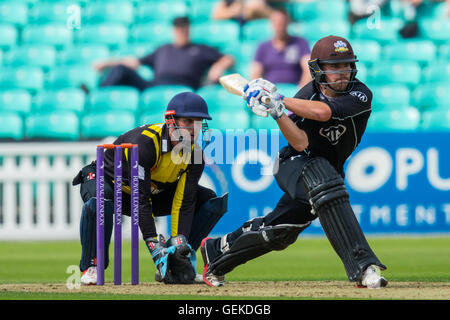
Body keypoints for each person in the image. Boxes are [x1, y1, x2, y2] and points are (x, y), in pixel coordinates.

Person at [200, 35, 388, 289]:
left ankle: (216, 253)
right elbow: (300, 143)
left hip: (326, 170)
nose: (342, 72)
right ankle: (364, 266)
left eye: (346, 65)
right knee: (326, 181)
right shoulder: (307, 94)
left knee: (280, 233)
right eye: (334, 67)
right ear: (317, 69)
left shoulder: (360, 93)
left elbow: (324, 112)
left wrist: (278, 99)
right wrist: (277, 112)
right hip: (293, 162)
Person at [72, 92, 228, 285]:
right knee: (100, 202)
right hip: (109, 183)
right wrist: (154, 247)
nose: (194, 129)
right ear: (170, 121)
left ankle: (178, 262)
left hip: (149, 194)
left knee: (209, 200)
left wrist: (175, 246)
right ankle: (92, 266)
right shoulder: (146, 144)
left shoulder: (195, 154)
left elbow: (184, 203)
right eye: (188, 121)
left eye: (198, 122)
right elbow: (140, 200)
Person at [93, 17, 235, 91]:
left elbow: (228, 58)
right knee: (120, 70)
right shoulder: (163, 49)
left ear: (189, 30)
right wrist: (106, 63)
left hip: (184, 85)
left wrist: (219, 66)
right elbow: (134, 62)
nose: (181, 33)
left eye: (184, 29)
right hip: (155, 85)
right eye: (178, 30)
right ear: (173, 31)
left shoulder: (200, 48)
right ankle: (97, 97)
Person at [251, 7, 311, 89]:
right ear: (271, 24)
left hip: (294, 90)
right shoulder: (263, 47)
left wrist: (301, 92)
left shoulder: (300, 43)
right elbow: (255, 74)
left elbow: (308, 69)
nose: (279, 26)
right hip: (270, 92)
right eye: (276, 22)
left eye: (282, 22)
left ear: (287, 23)